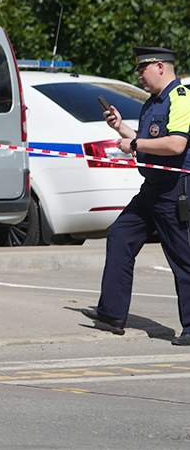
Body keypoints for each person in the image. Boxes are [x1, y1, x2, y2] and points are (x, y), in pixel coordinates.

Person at [81, 46, 190, 346]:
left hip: (174, 189)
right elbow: (149, 140)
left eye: (142, 70)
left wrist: (135, 144)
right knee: (120, 236)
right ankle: (112, 315)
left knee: (183, 258)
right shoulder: (153, 102)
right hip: (152, 189)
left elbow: (176, 145)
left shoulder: (181, 98)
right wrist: (121, 128)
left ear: (160, 67)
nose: (139, 76)